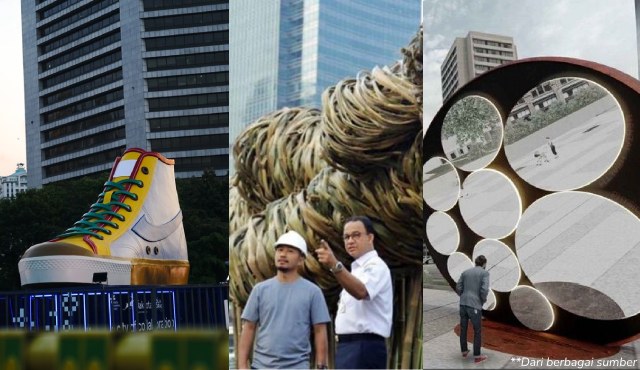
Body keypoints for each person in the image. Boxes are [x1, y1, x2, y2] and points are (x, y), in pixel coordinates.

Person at [238, 230, 330, 369]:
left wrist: (321, 366)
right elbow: (249, 328)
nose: (283, 254)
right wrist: (242, 365)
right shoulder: (260, 290)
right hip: (261, 366)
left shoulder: (313, 292)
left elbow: (320, 330)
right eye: (280, 250)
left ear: (301, 259)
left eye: (290, 251)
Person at [316, 216, 393, 369]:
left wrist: (335, 265)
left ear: (370, 237)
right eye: (346, 237)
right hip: (348, 346)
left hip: (364, 347)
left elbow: (361, 291)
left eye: (356, 235)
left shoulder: (377, 266)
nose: (350, 241)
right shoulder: (356, 270)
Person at [456, 255, 490, 364]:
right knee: (477, 331)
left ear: (475, 262)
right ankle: (477, 356)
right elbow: (484, 289)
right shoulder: (484, 273)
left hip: (463, 304)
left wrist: (462, 295)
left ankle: (464, 351)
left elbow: (458, 287)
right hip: (474, 305)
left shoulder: (465, 272)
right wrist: (482, 300)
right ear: (484, 264)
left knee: (463, 328)